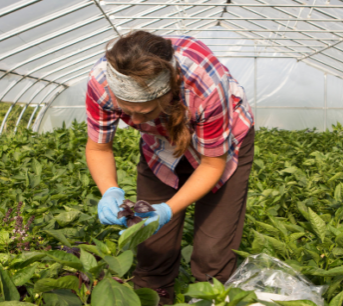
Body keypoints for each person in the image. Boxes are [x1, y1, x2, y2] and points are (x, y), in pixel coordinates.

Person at [85, 30, 254, 304]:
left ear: (172, 87)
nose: (132, 119)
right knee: (152, 247)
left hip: (224, 145)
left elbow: (212, 164)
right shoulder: (101, 82)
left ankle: (210, 298)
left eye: (144, 112)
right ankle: (157, 297)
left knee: (213, 251)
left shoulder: (206, 85)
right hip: (160, 148)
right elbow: (98, 147)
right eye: (125, 111)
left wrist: (167, 210)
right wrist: (110, 191)